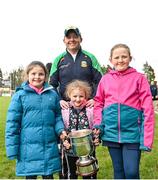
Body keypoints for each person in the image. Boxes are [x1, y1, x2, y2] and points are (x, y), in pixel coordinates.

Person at [93, 44, 155, 179]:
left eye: (124, 57)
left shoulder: (140, 78)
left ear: (130, 58)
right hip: (111, 133)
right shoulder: (105, 79)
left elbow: (148, 109)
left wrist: (147, 139)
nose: (120, 60)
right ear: (111, 60)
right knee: (119, 172)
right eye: (116, 57)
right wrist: (98, 124)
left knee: (131, 172)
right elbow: (98, 103)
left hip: (132, 133)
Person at [5, 61, 67, 179]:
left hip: (49, 148)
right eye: (33, 73)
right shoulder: (20, 96)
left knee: (49, 176)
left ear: (45, 76)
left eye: (41, 74)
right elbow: (12, 125)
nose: (37, 77)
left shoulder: (52, 95)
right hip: (28, 151)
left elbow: (58, 117)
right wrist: (12, 149)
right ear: (27, 75)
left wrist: (61, 130)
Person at [49, 25, 103, 109]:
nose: (72, 40)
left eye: (75, 37)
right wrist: (59, 100)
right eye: (68, 37)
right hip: (65, 107)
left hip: (88, 106)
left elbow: (100, 82)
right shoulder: (58, 59)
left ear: (81, 39)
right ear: (64, 40)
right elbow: (52, 85)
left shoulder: (90, 57)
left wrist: (95, 99)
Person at [60, 80, 99, 179]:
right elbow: (61, 127)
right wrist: (64, 140)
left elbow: (96, 125)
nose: (78, 99)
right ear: (69, 95)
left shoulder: (90, 109)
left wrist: (97, 137)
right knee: (71, 173)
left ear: (86, 96)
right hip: (70, 149)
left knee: (89, 173)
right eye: (75, 96)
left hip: (88, 149)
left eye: (81, 96)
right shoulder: (65, 110)